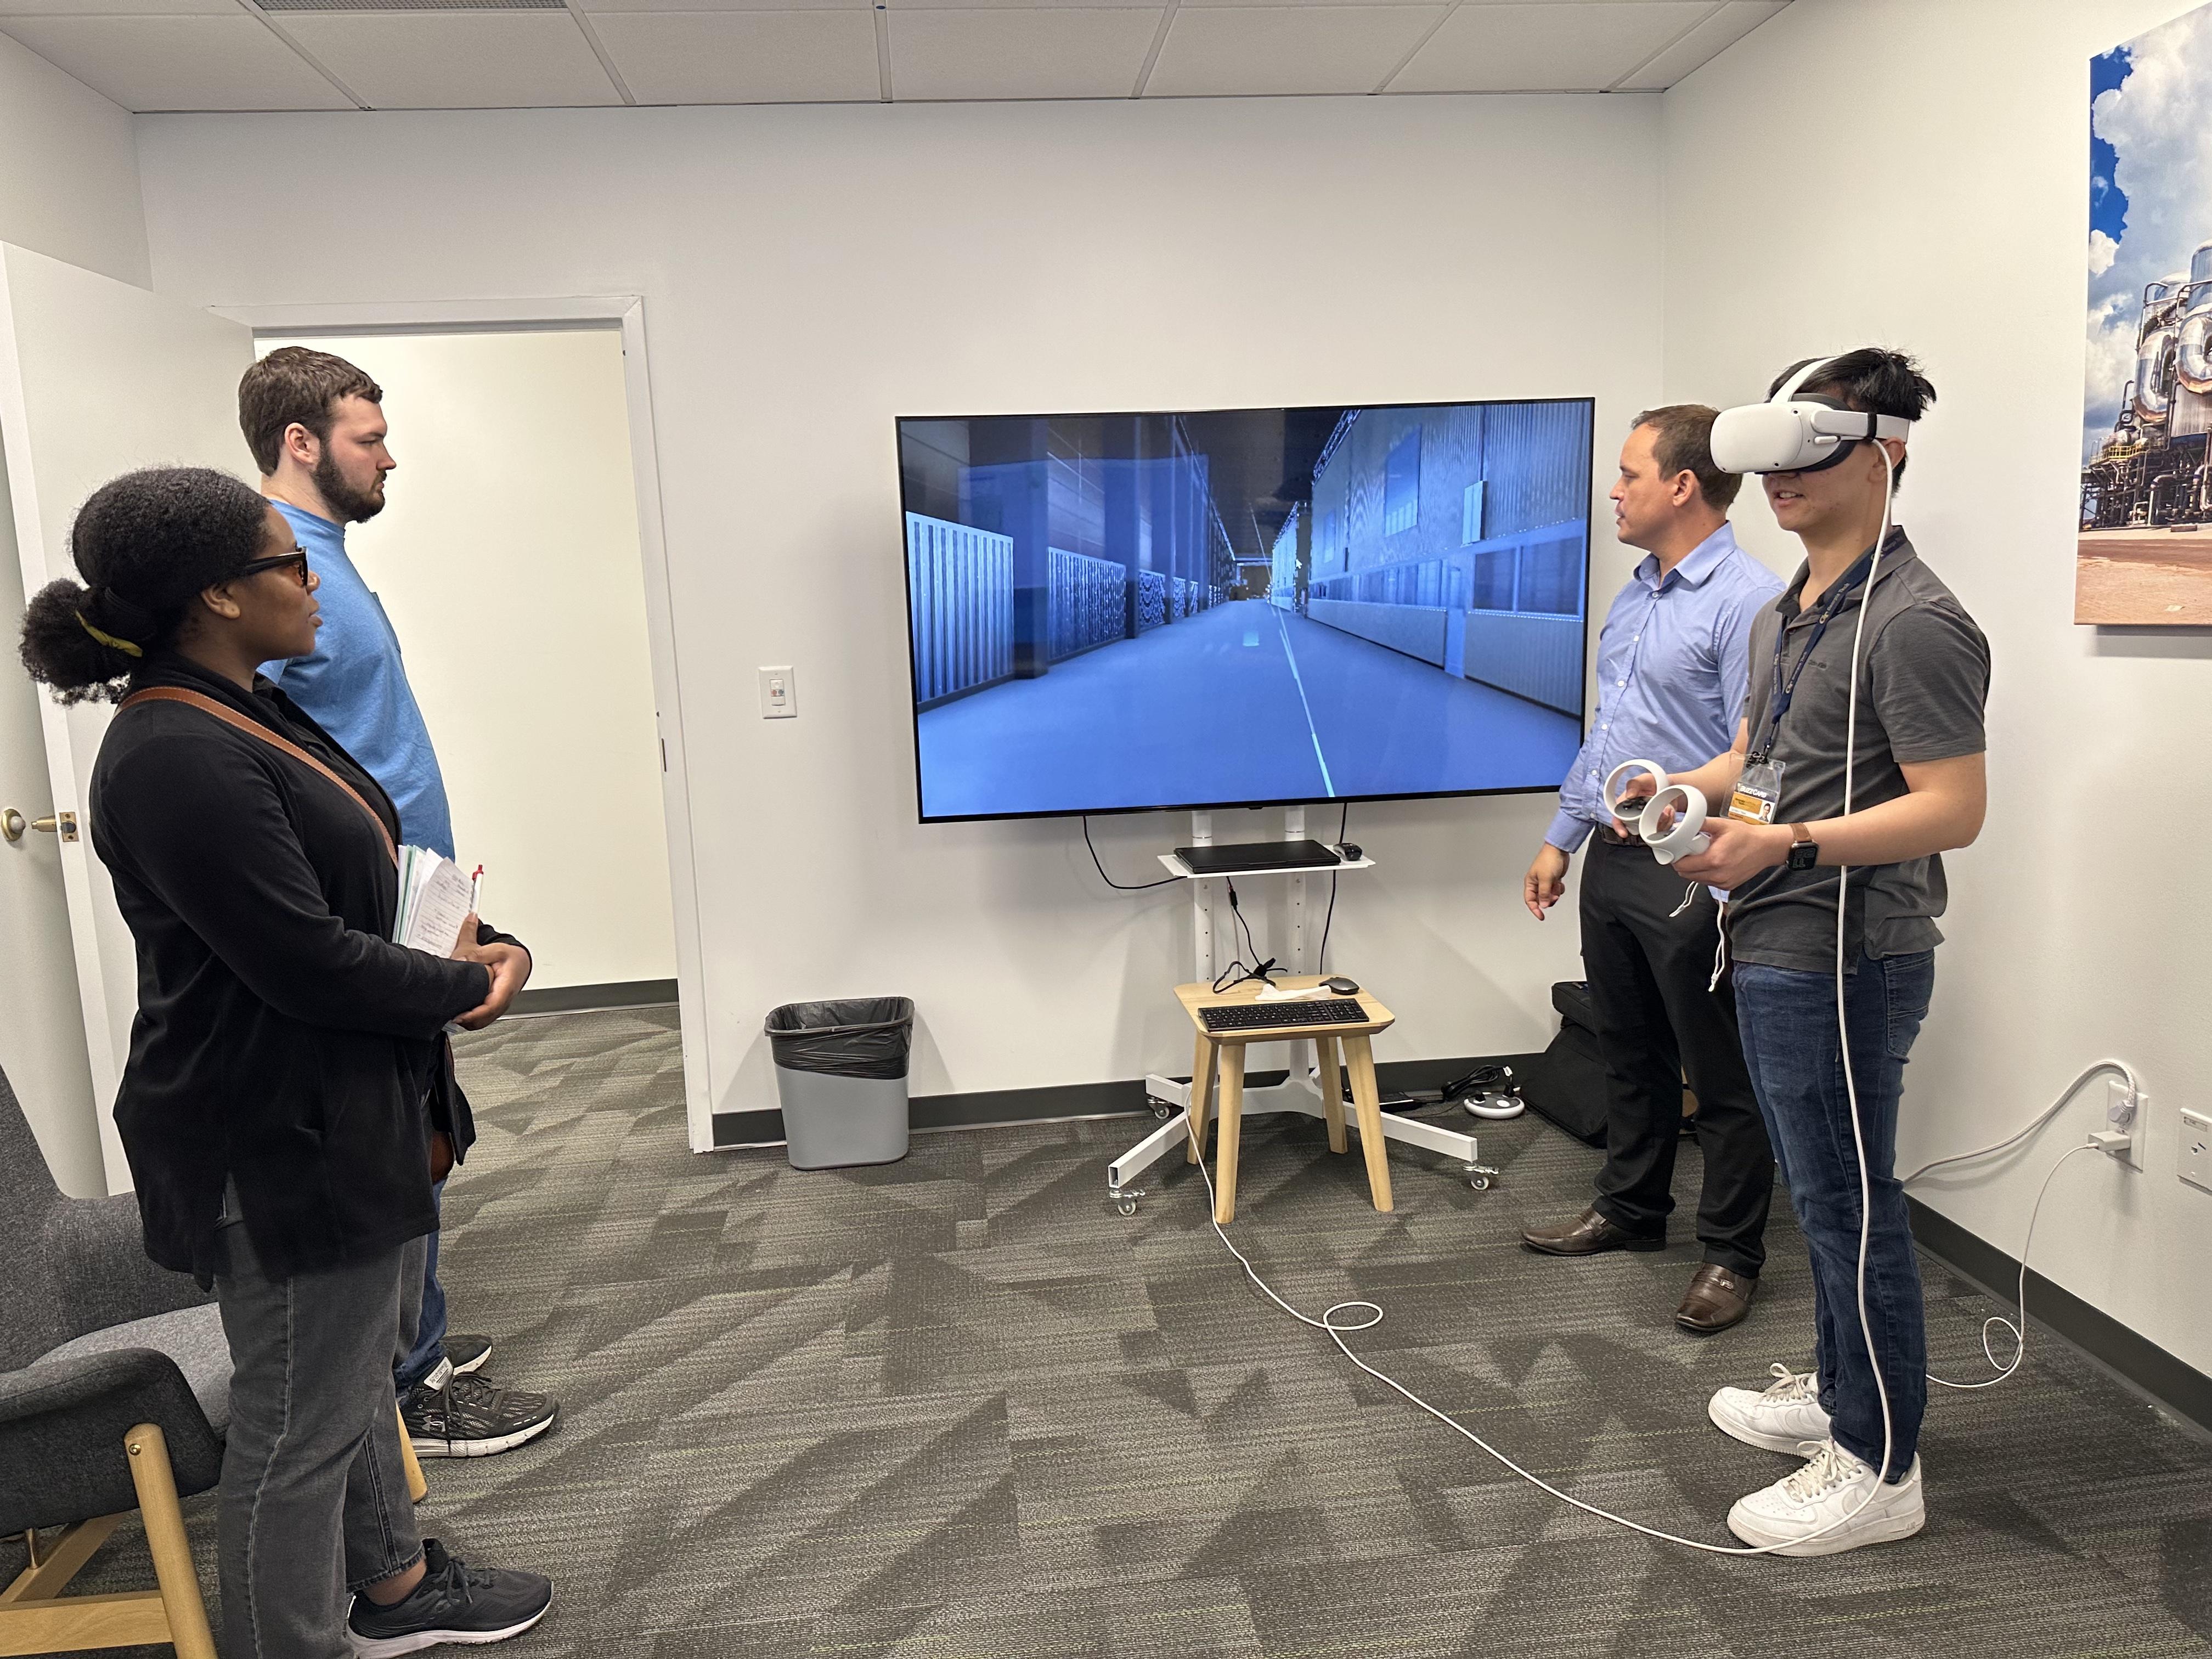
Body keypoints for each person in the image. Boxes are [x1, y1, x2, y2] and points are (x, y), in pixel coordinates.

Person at [18, 466, 554, 1654]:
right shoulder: (171, 751)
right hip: (266, 1137)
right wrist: (471, 987)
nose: (316, 586)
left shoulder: (245, 703)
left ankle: (395, 1589)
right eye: (289, 565)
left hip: (327, 1107)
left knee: (348, 1376)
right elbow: (305, 961)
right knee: (296, 1428)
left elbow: (342, 883)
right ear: (217, 593)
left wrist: (473, 939)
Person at [1652, 349, 1989, 1555]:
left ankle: (1881, 1463)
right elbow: (1767, 764)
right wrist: (1687, 794)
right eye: (1774, 459)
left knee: (1850, 1204)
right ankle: (1845, 1396)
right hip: (1778, 940)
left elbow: (1954, 807)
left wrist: (1785, 845)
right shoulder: (1786, 611)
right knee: (1826, 1193)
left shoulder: (1917, 623)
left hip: (1853, 955)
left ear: (1884, 452)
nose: (1780, 482)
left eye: (1813, 452)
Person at [238, 345, 560, 1460]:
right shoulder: (269, 572)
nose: (389, 458)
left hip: (415, 892)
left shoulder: (320, 555)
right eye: (369, 439)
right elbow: (265, 761)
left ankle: (412, 1347)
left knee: (424, 1132)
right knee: (394, 1145)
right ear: (302, 443)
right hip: (368, 910)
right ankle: (411, 1387)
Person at [1520, 407, 1784, 1334]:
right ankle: (1631, 1211)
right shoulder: (1636, 595)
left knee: (1719, 1074)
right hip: (1614, 861)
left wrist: (1683, 820)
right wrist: (1564, 833)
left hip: (1693, 866)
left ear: (1682, 485)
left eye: (1629, 475)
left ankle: (1731, 1255)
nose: (1614, 492)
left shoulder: (1751, 601)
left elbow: (1761, 760)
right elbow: (1611, 736)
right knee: (1627, 1050)